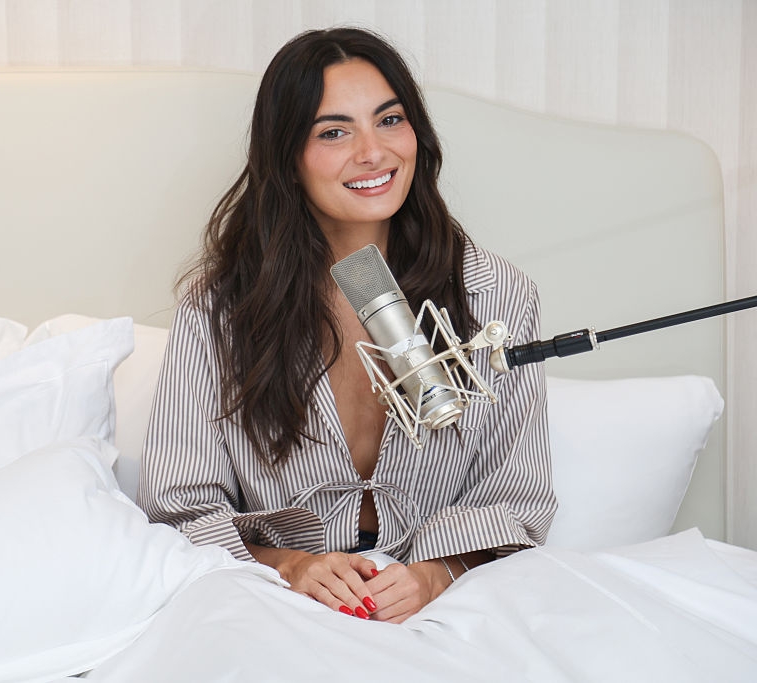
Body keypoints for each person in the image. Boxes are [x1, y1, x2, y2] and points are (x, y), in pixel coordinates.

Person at [138, 27, 556, 625]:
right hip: (274, 605)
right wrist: (289, 566)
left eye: (389, 121)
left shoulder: (496, 297)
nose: (373, 152)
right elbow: (178, 512)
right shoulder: (220, 311)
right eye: (334, 132)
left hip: (447, 608)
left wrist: (436, 575)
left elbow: (517, 497)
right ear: (287, 157)